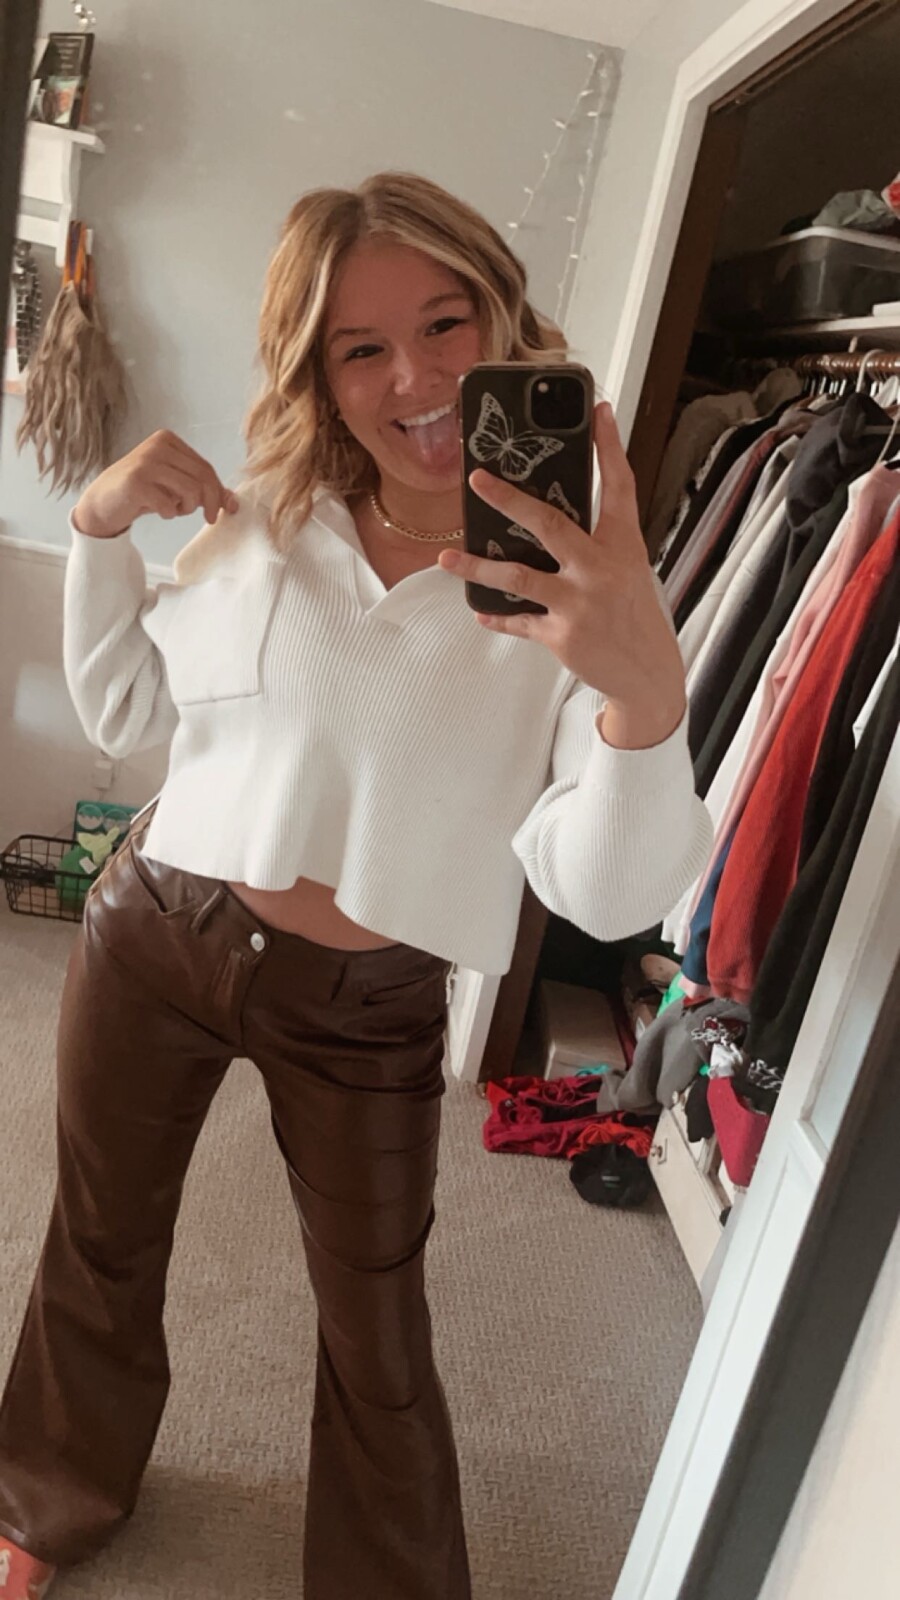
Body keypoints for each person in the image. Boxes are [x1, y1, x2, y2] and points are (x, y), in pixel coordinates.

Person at [0, 171, 712, 1600]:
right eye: (361, 347)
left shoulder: (571, 581)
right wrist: (97, 527)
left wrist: (643, 700)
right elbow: (129, 711)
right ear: (320, 375)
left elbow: (605, 891)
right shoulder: (274, 515)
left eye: (446, 323)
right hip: (160, 931)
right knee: (100, 1237)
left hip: (370, 999)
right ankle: (43, 1499)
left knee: (376, 1327)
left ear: (503, 315)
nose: (416, 379)